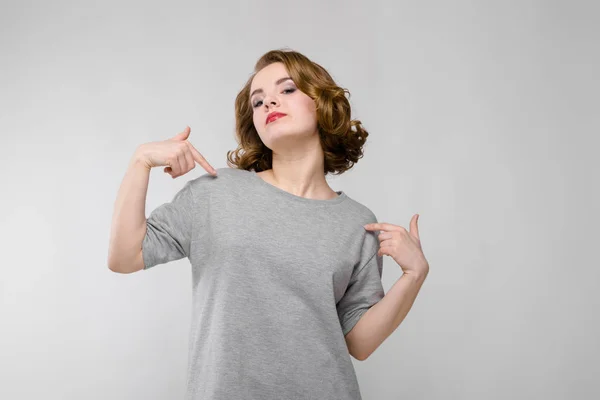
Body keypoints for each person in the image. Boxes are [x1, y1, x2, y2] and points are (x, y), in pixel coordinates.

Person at [108, 48, 429, 400]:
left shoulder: (357, 222)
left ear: (322, 103)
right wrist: (140, 161)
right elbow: (125, 257)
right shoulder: (217, 193)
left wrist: (413, 278)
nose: (269, 103)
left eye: (287, 89)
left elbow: (359, 342)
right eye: (257, 101)